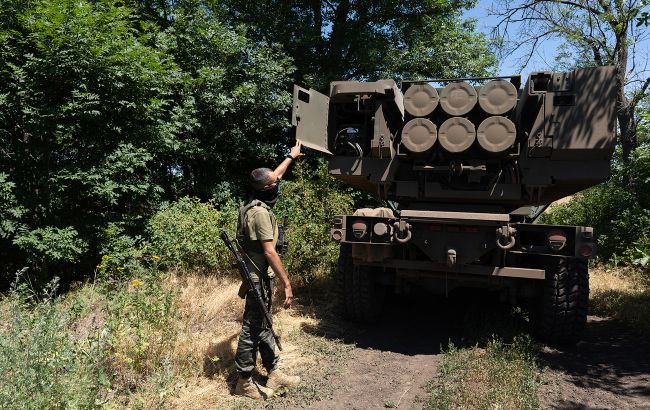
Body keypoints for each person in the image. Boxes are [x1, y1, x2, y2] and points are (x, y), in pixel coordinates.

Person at [233, 140, 304, 400]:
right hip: (257, 277)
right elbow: (269, 251)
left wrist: (291, 156)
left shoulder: (258, 201)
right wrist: (287, 283)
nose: (278, 185)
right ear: (265, 189)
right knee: (252, 328)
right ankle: (243, 381)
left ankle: (274, 371)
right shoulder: (260, 214)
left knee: (264, 322)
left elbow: (276, 176)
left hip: (261, 277)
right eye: (273, 184)